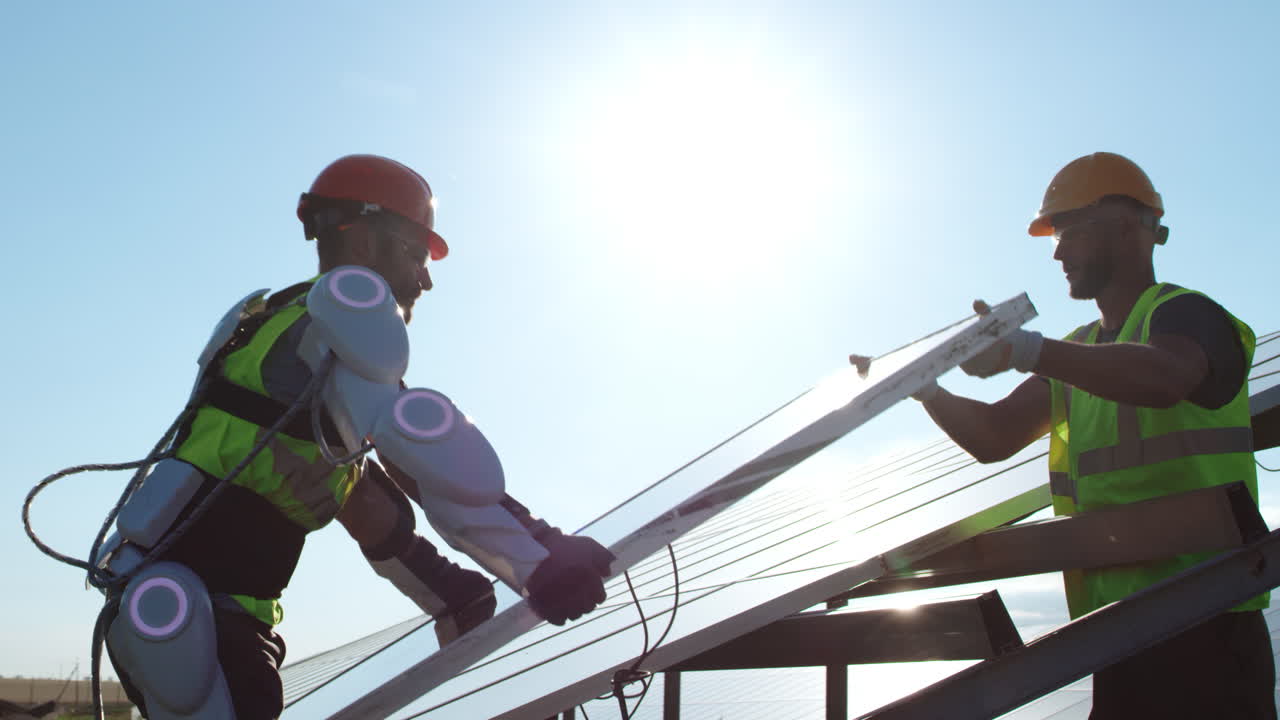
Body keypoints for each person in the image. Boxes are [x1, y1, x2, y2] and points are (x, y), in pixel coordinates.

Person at [96, 154, 615, 720]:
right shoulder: (346, 321)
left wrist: (449, 588)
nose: (426, 278)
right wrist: (540, 560)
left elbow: (364, 485)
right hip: (201, 614)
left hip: (162, 602)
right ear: (367, 244)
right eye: (416, 254)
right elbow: (426, 454)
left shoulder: (275, 320)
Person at [891, 152, 1274, 718]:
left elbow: (1166, 375)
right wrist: (924, 388)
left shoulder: (1187, 315)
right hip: (1115, 633)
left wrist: (1026, 350)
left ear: (1125, 226)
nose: (1058, 251)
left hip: (1207, 619)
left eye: (1069, 230)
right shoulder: (1079, 348)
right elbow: (994, 436)